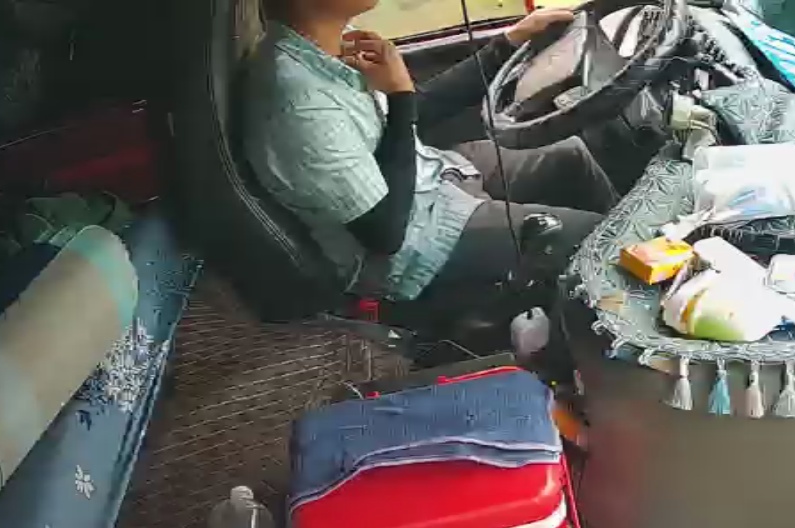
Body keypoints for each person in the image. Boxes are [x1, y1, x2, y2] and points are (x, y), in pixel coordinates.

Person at [244, 0, 619, 314]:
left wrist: (508, 44)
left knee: (570, 157)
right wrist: (400, 97)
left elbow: (413, 114)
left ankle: (621, 277)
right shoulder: (298, 101)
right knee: (605, 243)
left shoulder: (325, 48)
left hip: (432, 178)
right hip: (415, 246)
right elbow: (385, 233)